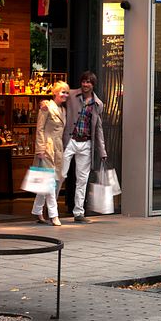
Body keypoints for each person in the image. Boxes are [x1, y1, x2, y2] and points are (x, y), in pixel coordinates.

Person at [61, 71, 108, 223]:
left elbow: (98, 128)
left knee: (82, 179)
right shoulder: (71, 95)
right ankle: (51, 211)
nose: (85, 84)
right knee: (60, 175)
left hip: (86, 143)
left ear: (93, 85)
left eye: (89, 82)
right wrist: (45, 104)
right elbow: (57, 100)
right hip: (69, 141)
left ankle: (78, 212)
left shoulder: (98, 104)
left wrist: (102, 151)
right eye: (84, 81)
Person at [32, 81, 69, 226]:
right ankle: (54, 214)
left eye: (66, 92)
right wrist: (40, 148)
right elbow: (40, 129)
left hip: (58, 147)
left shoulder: (63, 110)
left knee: (48, 180)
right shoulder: (46, 108)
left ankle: (37, 210)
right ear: (55, 93)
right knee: (50, 181)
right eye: (62, 92)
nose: (65, 95)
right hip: (47, 147)